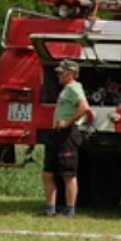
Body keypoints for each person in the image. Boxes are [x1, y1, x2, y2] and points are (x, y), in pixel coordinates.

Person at [41, 59, 92, 218]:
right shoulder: (66, 89)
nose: (58, 75)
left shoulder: (74, 88)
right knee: (48, 174)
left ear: (71, 74)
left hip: (68, 134)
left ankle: (70, 210)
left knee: (68, 174)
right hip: (57, 133)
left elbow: (84, 107)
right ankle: (50, 209)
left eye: (61, 73)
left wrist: (69, 122)